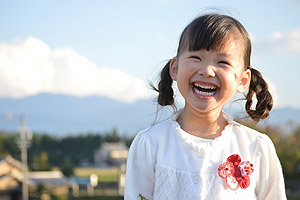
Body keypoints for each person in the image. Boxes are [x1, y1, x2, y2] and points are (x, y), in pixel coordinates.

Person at [124, 13, 286, 200]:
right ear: (175, 68)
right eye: (195, 57)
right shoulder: (150, 144)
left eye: (222, 62)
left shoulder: (256, 147)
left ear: (243, 80)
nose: (207, 71)